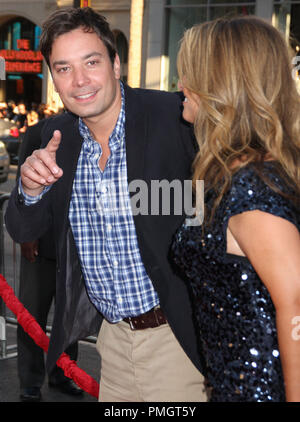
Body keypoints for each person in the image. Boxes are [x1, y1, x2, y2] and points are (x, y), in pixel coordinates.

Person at [5, 7, 206, 402]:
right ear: (53, 78)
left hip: (180, 338)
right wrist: (29, 189)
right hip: (110, 343)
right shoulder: (57, 136)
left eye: (91, 62)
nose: (79, 81)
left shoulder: (174, 116)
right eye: (63, 68)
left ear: (115, 64)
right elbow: (24, 230)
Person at [171, 16, 300, 402]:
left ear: (220, 88)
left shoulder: (256, 185)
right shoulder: (227, 172)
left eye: (188, 76)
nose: (180, 86)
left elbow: (296, 309)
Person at [17, 122, 83, 402]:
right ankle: (30, 380)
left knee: (69, 319)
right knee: (31, 315)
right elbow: (23, 189)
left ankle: (64, 375)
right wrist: (26, 236)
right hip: (40, 244)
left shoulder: (92, 131)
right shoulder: (37, 131)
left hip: (77, 245)